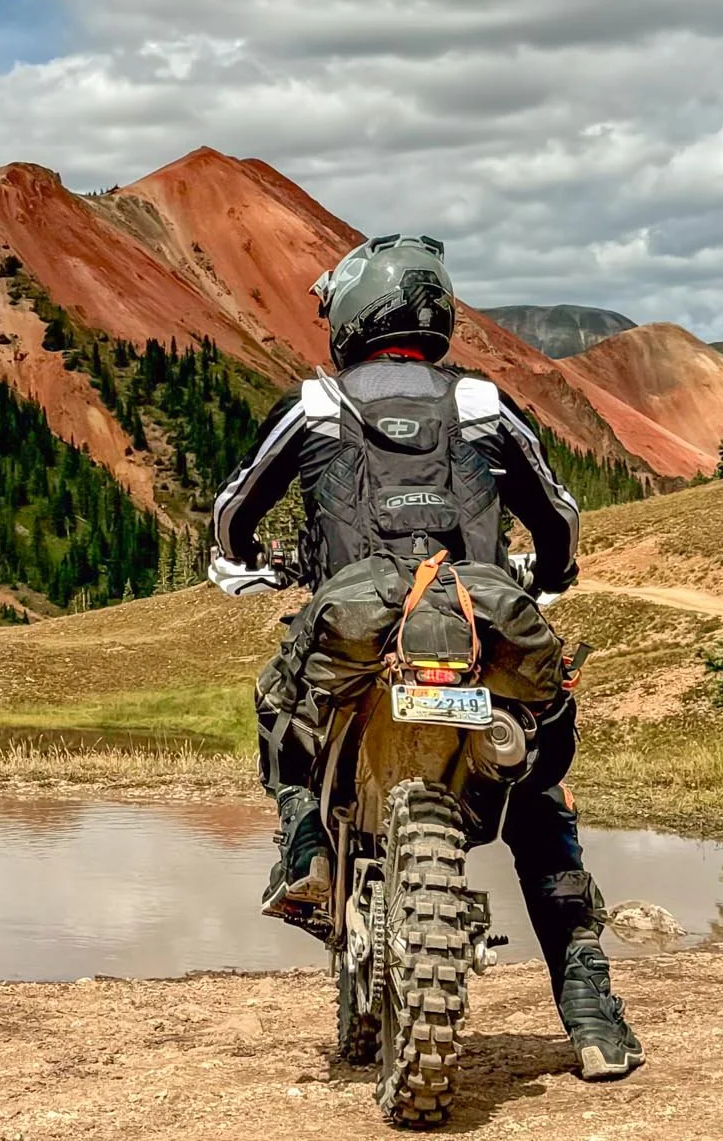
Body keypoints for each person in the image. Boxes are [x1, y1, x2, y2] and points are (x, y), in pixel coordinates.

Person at [208, 233, 643, 1082]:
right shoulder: (482, 400)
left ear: (356, 311)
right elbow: (557, 516)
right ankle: (591, 1015)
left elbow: (232, 511)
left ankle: (306, 850)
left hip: (357, 630)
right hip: (480, 627)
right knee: (540, 797)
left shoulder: (317, 402)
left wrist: (247, 561)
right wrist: (547, 575)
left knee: (282, 710)